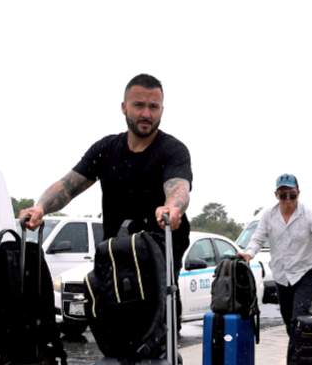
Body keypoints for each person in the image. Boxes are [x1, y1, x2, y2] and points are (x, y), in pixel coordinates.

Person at [18, 73, 191, 278]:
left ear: (161, 110)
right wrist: (40, 207)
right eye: (139, 105)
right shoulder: (106, 149)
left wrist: (173, 208)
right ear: (124, 107)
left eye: (153, 107)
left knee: (158, 308)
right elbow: (68, 186)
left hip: (157, 263)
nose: (146, 113)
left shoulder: (173, 150)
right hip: (112, 259)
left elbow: (179, 186)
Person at [239, 174, 312, 365]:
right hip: (281, 276)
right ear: (276, 195)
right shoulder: (268, 215)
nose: (288, 200)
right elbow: (257, 239)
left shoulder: (309, 214)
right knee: (290, 323)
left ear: (298, 193)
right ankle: (304, 352)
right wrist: (248, 253)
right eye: (283, 195)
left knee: (299, 319)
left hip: (304, 273)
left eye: (292, 195)